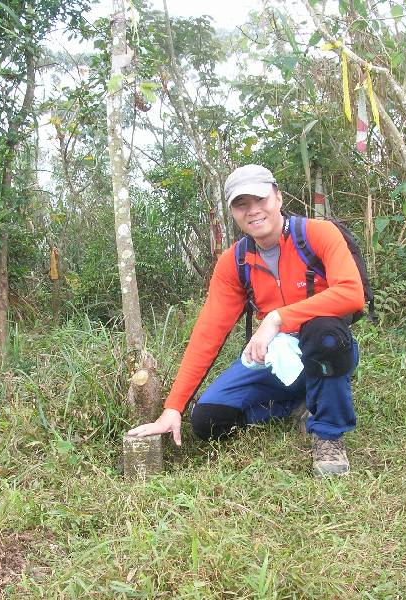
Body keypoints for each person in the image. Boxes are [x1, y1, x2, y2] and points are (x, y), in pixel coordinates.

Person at [127, 164, 364, 476]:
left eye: (260, 199)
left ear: (278, 197)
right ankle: (301, 404)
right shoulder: (235, 261)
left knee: (325, 332)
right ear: (232, 212)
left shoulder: (318, 234)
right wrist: (173, 407)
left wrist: (277, 318)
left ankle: (329, 435)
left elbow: (351, 294)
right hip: (274, 358)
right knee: (209, 420)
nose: (253, 210)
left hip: (324, 348)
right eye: (241, 204)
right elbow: (207, 334)